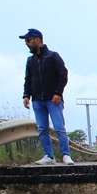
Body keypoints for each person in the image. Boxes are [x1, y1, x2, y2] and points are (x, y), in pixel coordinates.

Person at [19, 28, 73, 165]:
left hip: (53, 99)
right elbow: (28, 79)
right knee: (42, 129)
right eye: (26, 41)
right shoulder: (30, 61)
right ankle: (49, 156)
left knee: (59, 127)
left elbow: (63, 75)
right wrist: (26, 95)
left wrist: (58, 93)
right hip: (37, 100)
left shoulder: (53, 56)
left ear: (37, 40)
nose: (27, 43)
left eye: (28, 40)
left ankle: (66, 155)